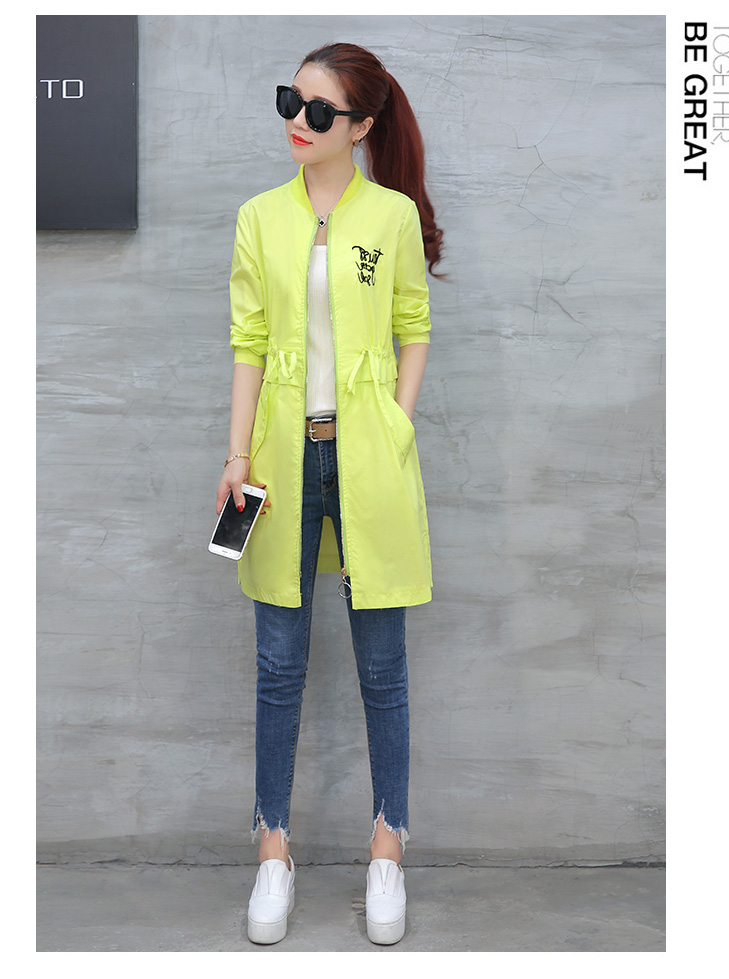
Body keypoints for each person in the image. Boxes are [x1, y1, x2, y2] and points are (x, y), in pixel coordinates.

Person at [215, 41, 443, 946]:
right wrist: (236, 454)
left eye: (317, 111)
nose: (297, 123)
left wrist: (395, 423)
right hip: (281, 459)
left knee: (382, 666)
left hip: (368, 458)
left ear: (360, 126)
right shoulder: (259, 217)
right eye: (290, 102)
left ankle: (388, 844)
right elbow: (247, 341)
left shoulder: (390, 217)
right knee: (279, 663)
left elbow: (414, 325)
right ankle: (273, 848)